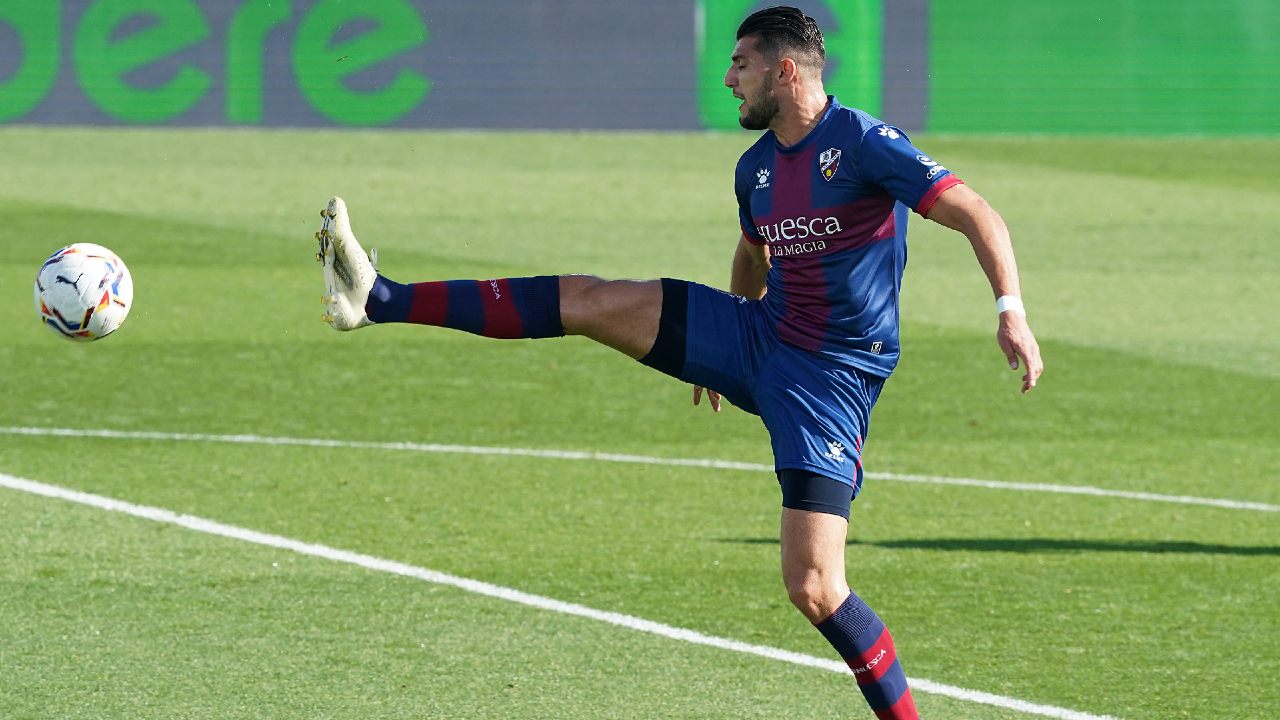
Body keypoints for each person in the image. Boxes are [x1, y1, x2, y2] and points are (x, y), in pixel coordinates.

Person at [314, 7, 1042, 718]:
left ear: (784, 70)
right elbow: (754, 254)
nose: (729, 78)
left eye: (742, 63)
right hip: (758, 335)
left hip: (830, 379)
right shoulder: (755, 168)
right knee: (592, 300)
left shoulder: (865, 143)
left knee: (815, 587)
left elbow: (977, 212)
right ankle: (378, 297)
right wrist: (714, 348)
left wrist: (1011, 310)